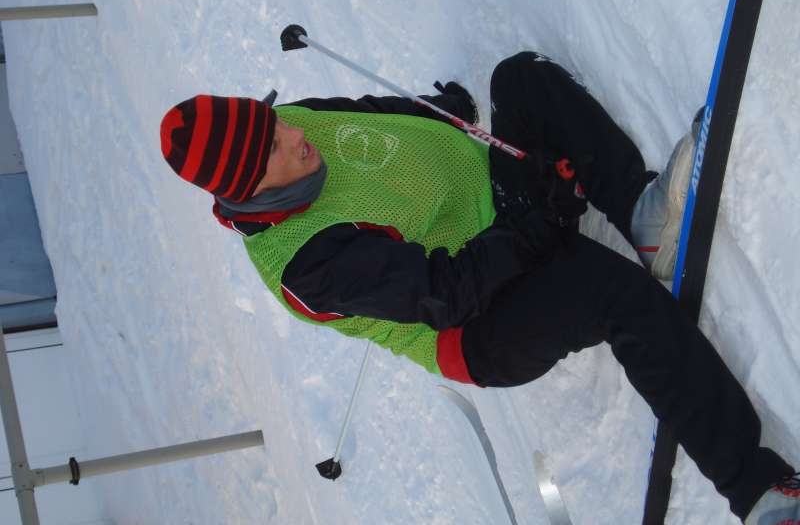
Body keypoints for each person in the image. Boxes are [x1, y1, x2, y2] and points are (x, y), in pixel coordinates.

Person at [160, 51, 797, 523]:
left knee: (520, 80)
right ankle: (758, 489)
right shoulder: (303, 264)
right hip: (478, 321)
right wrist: (534, 222)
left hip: (484, 193)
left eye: (274, 122)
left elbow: (373, 120)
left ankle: (643, 218)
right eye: (274, 148)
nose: (295, 136)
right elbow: (445, 292)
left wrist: (444, 118)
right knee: (616, 295)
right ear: (247, 189)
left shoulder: (292, 126)